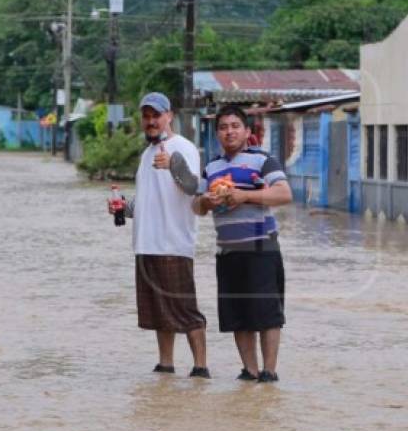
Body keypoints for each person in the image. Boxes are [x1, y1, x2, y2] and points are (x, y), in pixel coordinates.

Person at [108, 92, 210, 378]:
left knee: (185, 309)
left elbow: (194, 187)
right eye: (147, 116)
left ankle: (201, 367)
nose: (151, 121)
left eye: (156, 116)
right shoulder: (147, 155)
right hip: (146, 244)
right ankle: (166, 364)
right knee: (158, 311)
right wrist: (122, 208)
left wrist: (173, 165)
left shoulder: (182, 148)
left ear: (169, 117)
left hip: (173, 244)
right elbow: (146, 202)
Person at [193, 106, 293, 383]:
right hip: (228, 251)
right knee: (238, 315)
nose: (229, 131)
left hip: (261, 247)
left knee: (267, 315)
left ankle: (269, 372)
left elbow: (284, 194)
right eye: (223, 127)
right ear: (217, 134)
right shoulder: (211, 167)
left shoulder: (263, 160)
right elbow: (196, 207)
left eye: (235, 126)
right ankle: (249, 371)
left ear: (247, 132)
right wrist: (205, 201)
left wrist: (244, 196)